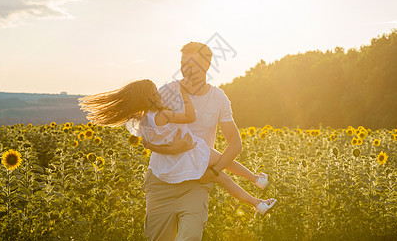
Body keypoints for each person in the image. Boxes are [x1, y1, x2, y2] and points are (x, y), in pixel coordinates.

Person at [78, 42, 277, 240]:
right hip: (160, 181)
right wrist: (174, 149)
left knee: (189, 237)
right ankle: (256, 189)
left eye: (193, 64)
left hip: (196, 180)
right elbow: (147, 139)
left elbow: (235, 144)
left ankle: (256, 187)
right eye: (183, 64)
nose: (186, 70)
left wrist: (213, 173)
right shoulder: (165, 94)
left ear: (207, 66)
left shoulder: (218, 98)